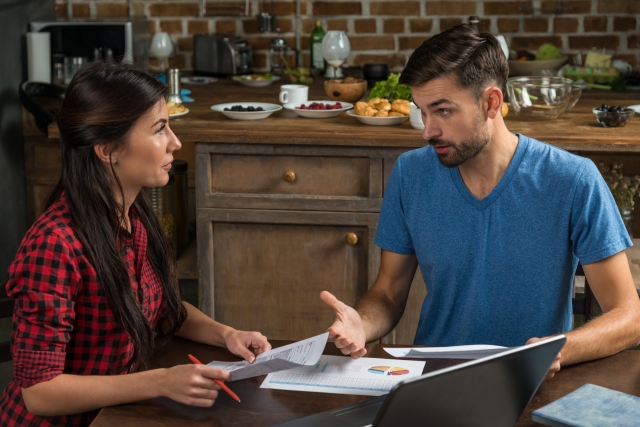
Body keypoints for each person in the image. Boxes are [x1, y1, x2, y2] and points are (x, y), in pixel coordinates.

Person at [320, 24, 640, 378]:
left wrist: (558, 348)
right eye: (422, 111)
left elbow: (629, 316)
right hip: (431, 381)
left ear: (491, 102)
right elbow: (389, 291)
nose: (427, 131)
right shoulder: (410, 174)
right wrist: (360, 324)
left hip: (530, 382)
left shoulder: (573, 179)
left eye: (443, 111)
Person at [1, 62, 271, 427]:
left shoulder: (136, 215)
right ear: (108, 149)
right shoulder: (54, 244)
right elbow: (38, 391)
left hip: (115, 416)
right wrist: (160, 381)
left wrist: (227, 335)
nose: (175, 142)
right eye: (160, 129)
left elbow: (164, 312)